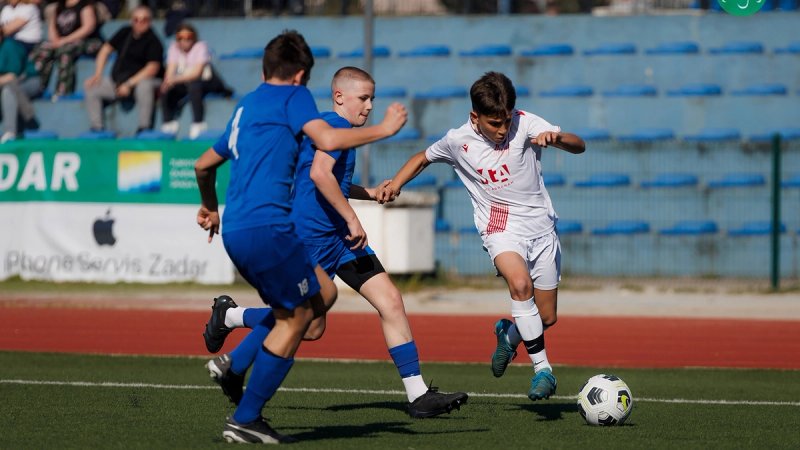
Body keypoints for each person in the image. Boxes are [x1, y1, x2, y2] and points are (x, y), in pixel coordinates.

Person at [201, 66, 468, 419]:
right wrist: (352, 217)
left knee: (389, 299)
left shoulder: (333, 127)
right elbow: (319, 174)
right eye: (363, 98)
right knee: (309, 326)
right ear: (340, 96)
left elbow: (330, 181)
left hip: (339, 240)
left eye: (373, 98)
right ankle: (232, 323)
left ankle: (417, 394)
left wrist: (367, 193)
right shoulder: (337, 126)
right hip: (311, 238)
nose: (370, 105)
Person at [193, 30, 408, 444]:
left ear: (264, 68)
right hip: (270, 228)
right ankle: (245, 415)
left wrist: (211, 207)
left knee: (321, 296)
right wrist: (384, 129)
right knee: (298, 318)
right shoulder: (295, 98)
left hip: (237, 228)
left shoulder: (245, 105)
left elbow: (204, 166)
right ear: (301, 75)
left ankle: (234, 353)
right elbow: (327, 140)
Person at [376, 71, 586, 402]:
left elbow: (580, 145)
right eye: (494, 124)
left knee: (546, 317)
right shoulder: (457, 141)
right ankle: (543, 370)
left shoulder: (525, 122)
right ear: (475, 116)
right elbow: (422, 158)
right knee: (520, 285)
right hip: (500, 227)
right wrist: (397, 183)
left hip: (542, 228)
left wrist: (557, 138)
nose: (503, 130)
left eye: (506, 121)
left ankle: (508, 335)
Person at [83, 5, 162, 134]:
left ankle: (144, 128)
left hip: (138, 83)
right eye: (136, 19)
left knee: (145, 86)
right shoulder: (125, 32)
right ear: (131, 21)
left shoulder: (154, 41)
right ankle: (97, 128)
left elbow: (152, 69)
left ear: (150, 21)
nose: (140, 23)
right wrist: (97, 74)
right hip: (118, 81)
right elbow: (105, 50)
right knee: (92, 87)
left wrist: (129, 84)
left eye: (144, 20)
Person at [159, 22, 232, 140]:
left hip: (208, 81)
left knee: (194, 86)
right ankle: (168, 123)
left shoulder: (201, 47)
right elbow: (170, 71)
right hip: (185, 81)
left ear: (194, 38)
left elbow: (196, 74)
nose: (184, 41)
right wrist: (167, 82)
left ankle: (198, 124)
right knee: (165, 88)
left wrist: (174, 79)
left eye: (188, 37)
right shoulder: (174, 48)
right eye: (180, 38)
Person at [29, 0, 103, 97]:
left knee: (65, 51)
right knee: (43, 49)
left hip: (88, 42)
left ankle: (62, 91)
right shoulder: (59, 7)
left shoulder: (85, 5)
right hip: (64, 42)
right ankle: (38, 86)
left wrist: (64, 40)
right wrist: (55, 41)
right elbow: (53, 28)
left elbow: (88, 27)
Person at [0, 32, 41, 143]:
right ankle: (27, 115)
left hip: (29, 81)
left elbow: (12, 76)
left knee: (8, 90)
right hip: (9, 84)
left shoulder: (10, 46)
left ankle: (10, 132)